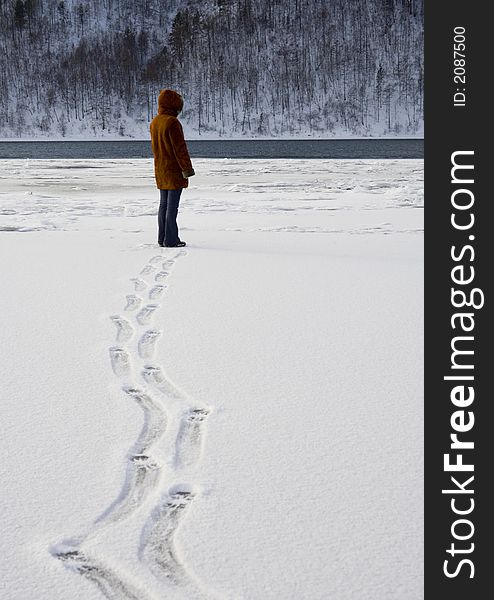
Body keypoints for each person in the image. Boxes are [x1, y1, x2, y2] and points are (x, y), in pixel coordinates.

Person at [150, 89, 195, 247]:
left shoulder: (155, 122)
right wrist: (187, 169)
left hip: (161, 170)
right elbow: (180, 149)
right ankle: (171, 239)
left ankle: (162, 237)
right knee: (172, 207)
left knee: (163, 205)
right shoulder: (172, 122)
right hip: (174, 171)